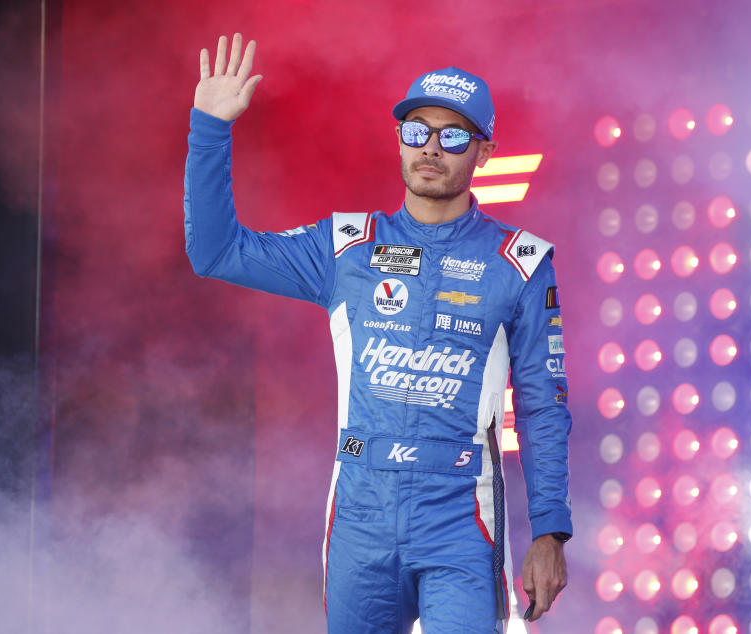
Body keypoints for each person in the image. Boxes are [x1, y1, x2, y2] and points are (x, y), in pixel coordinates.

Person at [185, 33, 572, 634]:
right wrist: (209, 128)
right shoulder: (347, 246)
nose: (432, 149)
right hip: (360, 512)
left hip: (460, 516)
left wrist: (549, 529)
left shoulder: (518, 262)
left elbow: (545, 407)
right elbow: (215, 252)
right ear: (398, 140)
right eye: (418, 131)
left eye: (454, 136)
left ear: (484, 152)